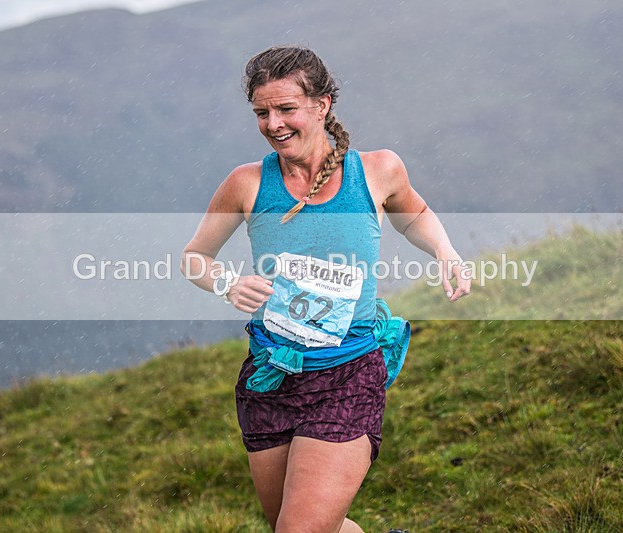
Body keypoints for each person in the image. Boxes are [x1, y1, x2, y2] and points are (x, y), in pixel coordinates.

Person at [181, 45, 470, 533]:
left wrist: (446, 252)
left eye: (286, 109)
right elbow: (194, 258)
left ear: (323, 104)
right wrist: (227, 283)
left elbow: (414, 214)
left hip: (347, 373)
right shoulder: (246, 183)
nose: (273, 123)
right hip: (270, 377)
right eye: (261, 112)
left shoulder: (377, 171)